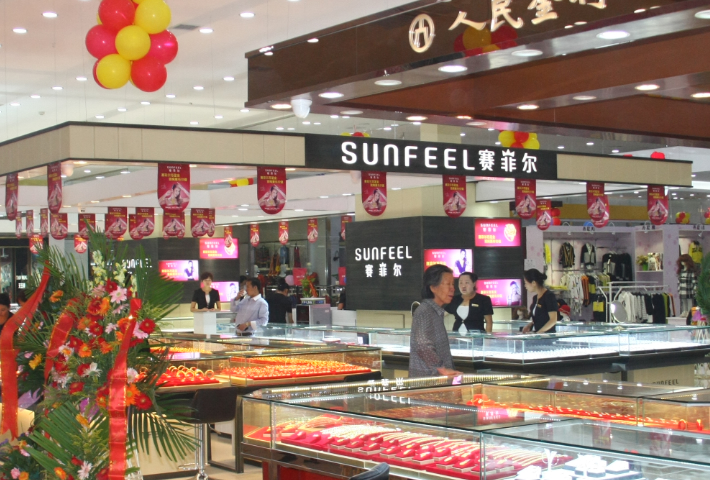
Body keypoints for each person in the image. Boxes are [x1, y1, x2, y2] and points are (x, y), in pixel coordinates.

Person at [409, 265, 463, 378]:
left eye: (453, 284)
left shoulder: (436, 311)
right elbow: (422, 344)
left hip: (436, 380)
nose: (452, 289)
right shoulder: (424, 311)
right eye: (448, 284)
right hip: (427, 382)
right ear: (433, 287)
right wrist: (441, 368)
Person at [523, 269, 558, 334]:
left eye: (526, 283)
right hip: (538, 335)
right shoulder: (535, 298)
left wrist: (539, 333)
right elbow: (538, 318)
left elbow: (553, 320)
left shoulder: (549, 296)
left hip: (547, 336)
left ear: (533, 283)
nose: (525, 286)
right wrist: (529, 325)